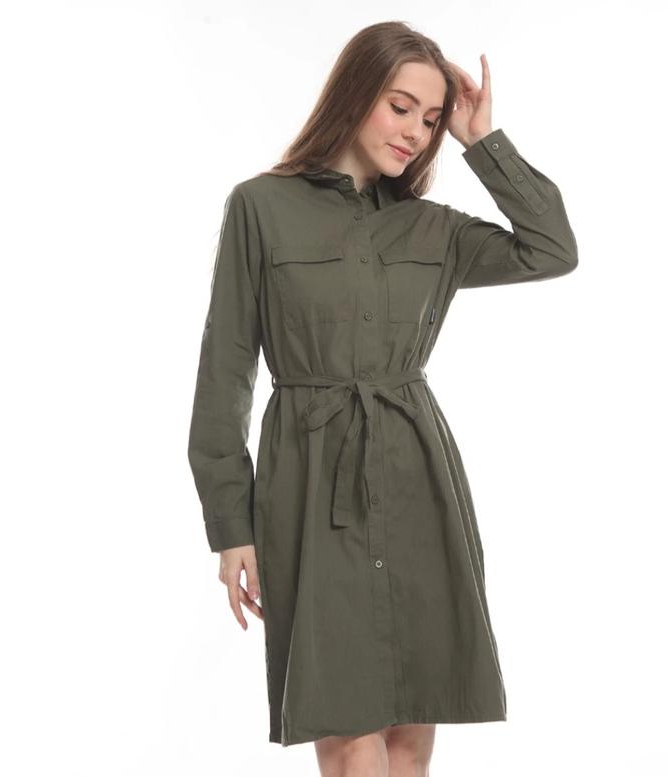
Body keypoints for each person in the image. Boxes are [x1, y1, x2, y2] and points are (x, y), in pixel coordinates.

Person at [187, 20, 578, 776]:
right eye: (401, 107)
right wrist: (230, 526)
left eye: (430, 119)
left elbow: (551, 248)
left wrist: (481, 141)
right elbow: (224, 374)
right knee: (344, 724)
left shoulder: (435, 229)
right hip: (309, 480)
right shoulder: (260, 208)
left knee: (410, 722)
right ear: (355, 91)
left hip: (415, 474)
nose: (415, 133)